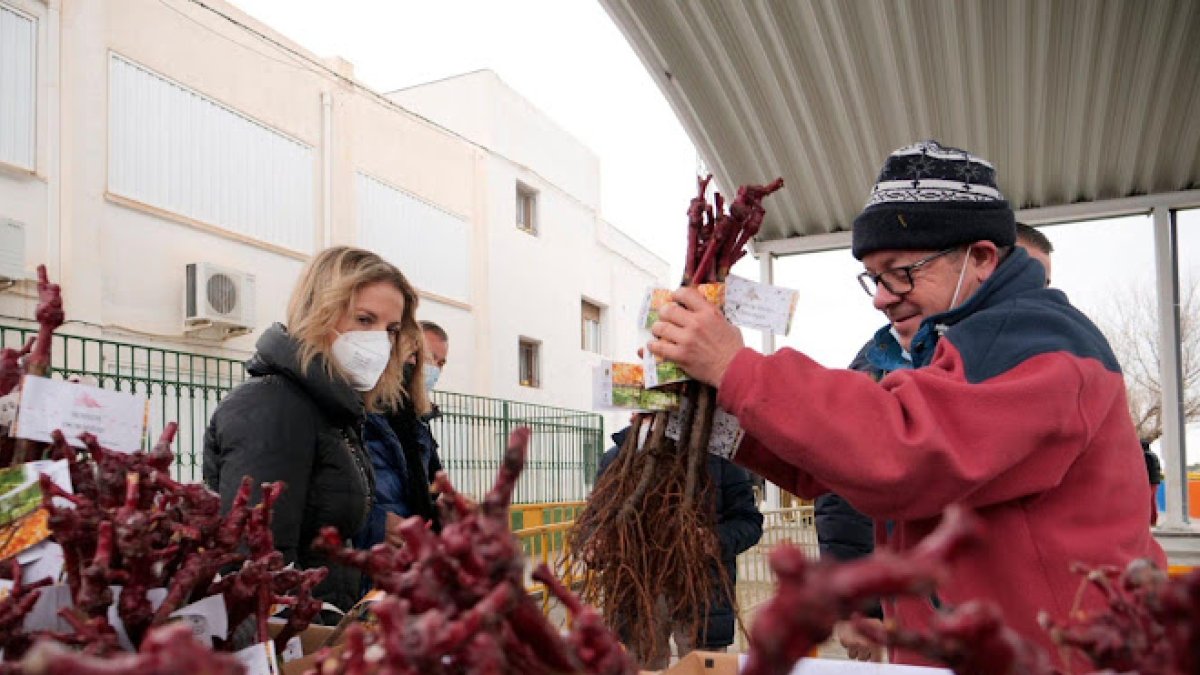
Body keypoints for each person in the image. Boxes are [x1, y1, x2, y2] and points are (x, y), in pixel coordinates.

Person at [648, 140, 1166, 665]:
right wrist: (709, 411)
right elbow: (834, 466)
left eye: (902, 273)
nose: (881, 296)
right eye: (874, 277)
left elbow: (901, 452)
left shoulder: (1036, 338)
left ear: (981, 257)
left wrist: (736, 367)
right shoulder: (955, 344)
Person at [815, 221, 1058, 661]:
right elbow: (843, 490)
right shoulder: (877, 368)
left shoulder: (1047, 360)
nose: (1025, 297)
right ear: (982, 267)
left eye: (1037, 282)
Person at [204, 246, 428, 612]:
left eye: (390, 329)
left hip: (324, 628)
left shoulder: (334, 409)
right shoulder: (274, 406)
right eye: (364, 319)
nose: (378, 342)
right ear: (319, 311)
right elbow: (257, 570)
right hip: (292, 642)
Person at [596, 422, 763, 668]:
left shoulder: (720, 457)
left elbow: (749, 522)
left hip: (703, 594)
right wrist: (597, 545)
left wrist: (715, 540)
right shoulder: (617, 457)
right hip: (638, 595)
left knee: (704, 666)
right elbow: (596, 520)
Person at [354, 321, 452, 552]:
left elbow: (427, 492)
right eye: (426, 357)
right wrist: (375, 526)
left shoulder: (417, 422)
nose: (431, 368)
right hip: (368, 565)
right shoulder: (362, 412)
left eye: (440, 362)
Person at [1143, 440, 1163, 526]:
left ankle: (1151, 520)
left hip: (1150, 481)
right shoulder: (1153, 455)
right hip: (1155, 481)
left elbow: (1146, 470)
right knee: (1152, 501)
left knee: (1148, 501)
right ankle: (1153, 520)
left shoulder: (1146, 456)